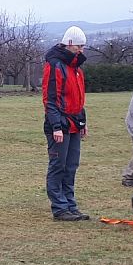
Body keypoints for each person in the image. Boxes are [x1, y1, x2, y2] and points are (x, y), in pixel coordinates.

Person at [43, 26, 89, 221]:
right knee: (58, 166)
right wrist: (56, 127)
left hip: (74, 123)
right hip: (59, 125)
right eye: (79, 46)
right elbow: (50, 99)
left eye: (83, 47)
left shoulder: (76, 69)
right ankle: (60, 208)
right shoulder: (55, 66)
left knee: (71, 166)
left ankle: (70, 204)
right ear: (70, 44)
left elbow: (78, 99)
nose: (82, 50)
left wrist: (82, 121)